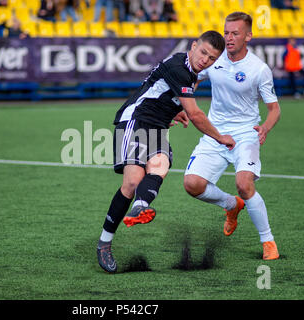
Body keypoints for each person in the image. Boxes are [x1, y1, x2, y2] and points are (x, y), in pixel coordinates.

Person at [96, 30, 236, 273]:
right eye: (203, 52)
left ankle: (140, 207)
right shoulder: (179, 67)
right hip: (135, 120)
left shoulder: (193, 72)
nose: (206, 60)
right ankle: (104, 244)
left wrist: (172, 110)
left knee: (160, 164)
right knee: (132, 182)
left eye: (212, 58)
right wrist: (220, 137)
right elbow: (195, 114)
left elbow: (166, 92)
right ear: (193, 46)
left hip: (157, 126)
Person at [183, 12, 282, 261]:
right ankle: (231, 205)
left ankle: (268, 241)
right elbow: (192, 78)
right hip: (215, 132)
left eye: (235, 33)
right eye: (226, 32)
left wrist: (265, 128)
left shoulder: (259, 69)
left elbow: (274, 109)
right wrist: (182, 105)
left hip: (245, 134)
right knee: (192, 185)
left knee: (244, 183)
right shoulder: (214, 60)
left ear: (248, 36)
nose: (228, 38)